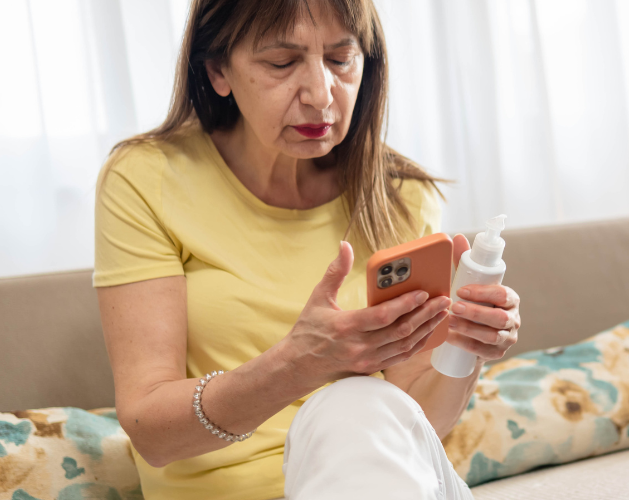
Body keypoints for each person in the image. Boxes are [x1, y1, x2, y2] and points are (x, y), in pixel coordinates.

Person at [93, 1, 521, 498]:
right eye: (281, 63)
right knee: (352, 400)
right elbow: (152, 434)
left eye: (342, 60)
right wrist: (298, 364)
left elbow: (413, 419)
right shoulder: (146, 178)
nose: (321, 96)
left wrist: (465, 348)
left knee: (358, 402)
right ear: (217, 71)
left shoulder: (399, 194)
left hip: (383, 479)